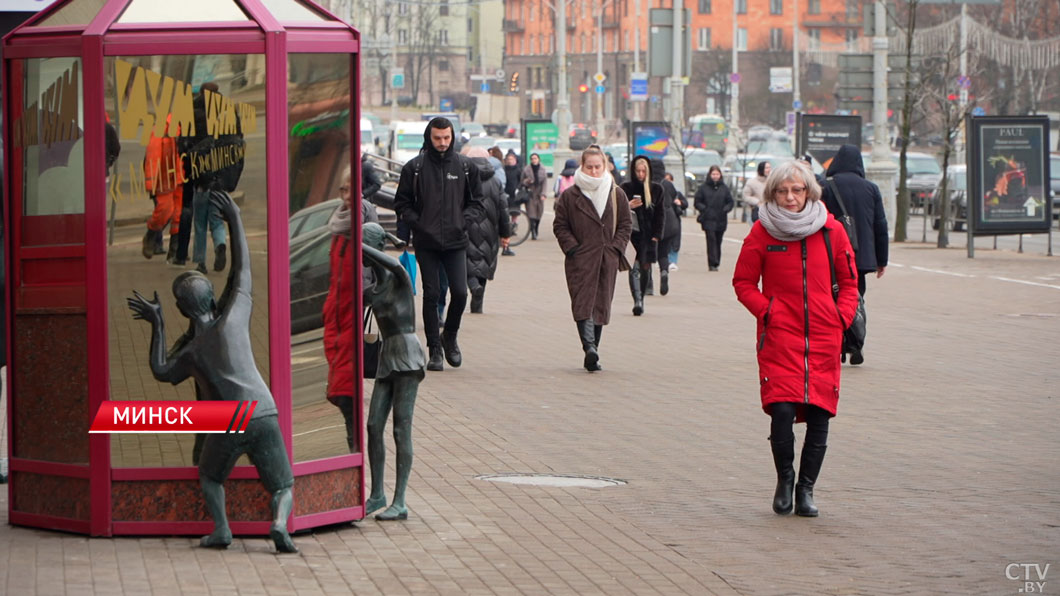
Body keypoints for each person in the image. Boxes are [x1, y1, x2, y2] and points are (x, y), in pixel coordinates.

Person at [127, 191, 298, 552]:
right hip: (264, 409)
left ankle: (222, 530)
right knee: (283, 485)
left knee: (210, 477)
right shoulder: (234, 316)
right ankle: (279, 523)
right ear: (211, 298)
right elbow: (242, 268)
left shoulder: (190, 351)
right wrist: (235, 217)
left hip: (230, 420)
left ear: (182, 309)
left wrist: (157, 323)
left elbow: (161, 371)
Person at [732, 160, 859, 518]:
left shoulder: (831, 231)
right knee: (782, 409)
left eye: (797, 190)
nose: (790, 198)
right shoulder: (761, 232)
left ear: (809, 192)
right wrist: (768, 311)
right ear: (772, 193)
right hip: (780, 336)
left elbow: (849, 283)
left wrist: (840, 317)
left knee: (820, 413)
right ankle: (785, 481)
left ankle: (807, 489)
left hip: (823, 335)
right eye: (783, 191)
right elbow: (743, 283)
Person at [393, 117, 484, 371]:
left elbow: (477, 203)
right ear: (429, 137)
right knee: (432, 294)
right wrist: (418, 223)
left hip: (456, 241)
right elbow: (402, 203)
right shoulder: (415, 168)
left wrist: (462, 221)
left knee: (460, 292)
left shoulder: (465, 167)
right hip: (426, 242)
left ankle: (450, 337)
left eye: (446, 138)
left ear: (453, 137)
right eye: (437, 138)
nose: (442, 143)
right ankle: (434, 349)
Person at [361, 222, 427, 521]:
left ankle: (400, 501)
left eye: (364, 245)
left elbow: (389, 261)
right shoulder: (373, 287)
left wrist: (355, 244)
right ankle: (377, 495)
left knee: (402, 429)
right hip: (388, 354)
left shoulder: (399, 274)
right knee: (374, 425)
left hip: (407, 354)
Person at [553, 145, 632, 372]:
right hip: (580, 258)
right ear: (582, 167)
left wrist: (616, 248)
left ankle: (593, 349)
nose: (594, 171)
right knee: (582, 303)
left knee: (600, 304)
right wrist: (572, 248)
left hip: (607, 258)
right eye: (590, 167)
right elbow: (560, 225)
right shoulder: (570, 195)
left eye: (598, 167)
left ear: (604, 166)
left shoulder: (616, 193)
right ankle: (589, 347)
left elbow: (625, 224)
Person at [819, 144, 888, 366]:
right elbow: (880, 226)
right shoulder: (871, 188)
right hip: (861, 256)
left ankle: (838, 343)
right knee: (857, 298)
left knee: (833, 298)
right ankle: (857, 343)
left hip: (831, 253)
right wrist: (881, 260)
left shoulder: (826, 187)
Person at [321, 168, 375, 454]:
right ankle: (354, 454)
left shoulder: (365, 230)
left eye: (350, 189)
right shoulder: (339, 229)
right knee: (342, 396)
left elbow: (371, 282)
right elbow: (335, 283)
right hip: (338, 326)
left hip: (354, 328)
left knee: (346, 397)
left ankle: (356, 459)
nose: (345, 197)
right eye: (342, 190)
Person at [463, 147, 513, 313]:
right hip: (490, 228)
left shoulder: (463, 178)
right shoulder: (495, 181)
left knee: (465, 260)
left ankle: (472, 285)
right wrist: (506, 233)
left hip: (466, 225)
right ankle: (478, 305)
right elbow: (503, 209)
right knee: (484, 262)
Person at [619, 155, 664, 315]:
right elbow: (616, 210)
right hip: (631, 235)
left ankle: (642, 298)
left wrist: (657, 235)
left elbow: (660, 214)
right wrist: (628, 205)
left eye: (643, 171)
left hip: (648, 236)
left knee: (646, 269)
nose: (640, 174)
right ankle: (637, 300)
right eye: (638, 171)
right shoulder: (625, 188)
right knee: (634, 268)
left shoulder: (656, 189)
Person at [141, 114, 184, 261]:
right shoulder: (160, 131)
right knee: (165, 211)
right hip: (164, 180)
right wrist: (151, 183)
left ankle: (175, 249)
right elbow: (153, 157)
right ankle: (151, 234)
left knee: (179, 215)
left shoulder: (188, 129)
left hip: (180, 178)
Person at [693, 165, 735, 271]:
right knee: (711, 240)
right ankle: (712, 263)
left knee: (718, 241)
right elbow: (697, 202)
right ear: (709, 175)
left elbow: (730, 202)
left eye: (717, 174)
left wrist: (726, 209)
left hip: (721, 218)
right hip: (708, 218)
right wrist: (704, 209)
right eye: (713, 174)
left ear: (720, 175)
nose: (715, 176)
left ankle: (717, 262)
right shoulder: (703, 188)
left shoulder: (724, 188)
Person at [652, 158, 679, 294]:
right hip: (669, 221)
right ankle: (664, 271)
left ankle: (648, 284)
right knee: (663, 253)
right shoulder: (667, 184)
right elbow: (674, 195)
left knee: (648, 252)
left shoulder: (649, 184)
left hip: (654, 220)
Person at [520, 153, 548, 240]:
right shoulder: (526, 169)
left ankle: (536, 228)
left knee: (539, 213)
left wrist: (543, 194)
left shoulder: (543, 169)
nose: (534, 160)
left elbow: (545, 183)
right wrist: (527, 181)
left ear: (538, 159)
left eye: (535, 158)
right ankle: (533, 231)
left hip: (539, 193)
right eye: (532, 158)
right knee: (531, 214)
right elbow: (521, 182)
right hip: (530, 193)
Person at [663, 172, 687, 271]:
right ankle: (665, 260)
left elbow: (685, 204)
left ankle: (673, 261)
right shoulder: (660, 192)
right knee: (664, 241)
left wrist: (680, 203)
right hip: (664, 220)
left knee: (675, 242)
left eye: (669, 180)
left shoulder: (677, 194)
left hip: (675, 221)